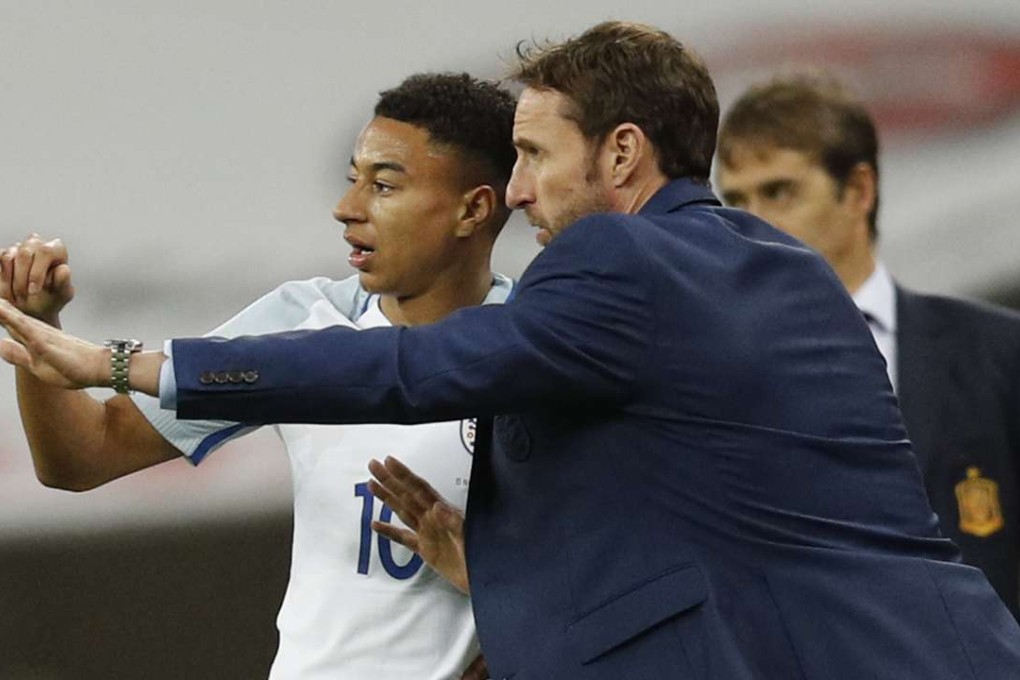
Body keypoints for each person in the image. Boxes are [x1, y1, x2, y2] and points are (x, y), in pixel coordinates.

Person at [3, 21, 1020, 679]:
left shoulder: (613, 271)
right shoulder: (777, 269)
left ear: (618, 153)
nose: (530, 187)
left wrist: (124, 356)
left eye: (537, 154)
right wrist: (493, 565)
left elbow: (410, 369)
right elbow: (704, 518)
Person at [0, 72, 516, 680]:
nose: (347, 208)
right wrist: (35, 329)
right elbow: (83, 459)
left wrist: (493, 597)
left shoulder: (544, 350)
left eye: (383, 185)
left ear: (473, 208)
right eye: (353, 179)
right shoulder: (302, 320)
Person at [715, 70, 1020, 619]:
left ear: (858, 190)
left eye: (779, 192)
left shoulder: (998, 353)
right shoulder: (703, 380)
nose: (750, 224)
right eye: (735, 200)